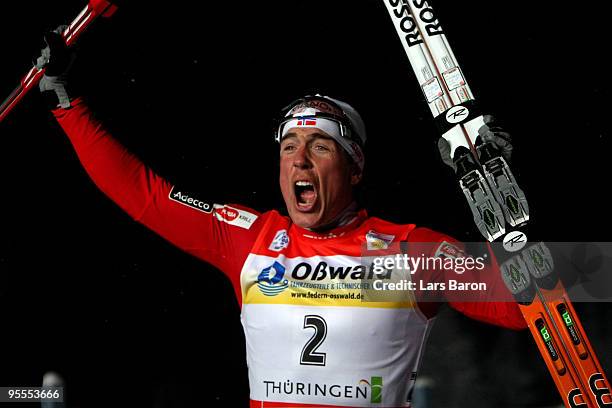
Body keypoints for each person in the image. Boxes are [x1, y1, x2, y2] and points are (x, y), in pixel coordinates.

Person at [37, 28, 525, 407]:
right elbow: (144, 194)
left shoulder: (410, 250)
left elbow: (524, 309)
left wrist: (514, 207)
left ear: (354, 168)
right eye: (289, 147)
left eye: (319, 146)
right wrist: (66, 101)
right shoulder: (248, 237)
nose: (300, 159)